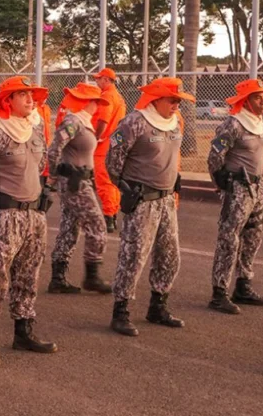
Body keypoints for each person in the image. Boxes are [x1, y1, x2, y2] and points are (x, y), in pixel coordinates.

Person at [0, 76, 57, 366]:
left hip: (34, 216)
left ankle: (23, 331)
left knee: (29, 275)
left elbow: (41, 167)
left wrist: (44, 192)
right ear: (8, 101)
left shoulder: (35, 132)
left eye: (32, 95)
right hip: (5, 217)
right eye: (23, 95)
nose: (31, 100)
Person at [106, 77, 193, 337]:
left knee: (169, 255)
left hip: (167, 200)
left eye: (178, 101)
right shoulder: (134, 122)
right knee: (133, 256)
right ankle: (121, 311)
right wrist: (126, 187)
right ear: (156, 99)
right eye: (172, 100)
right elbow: (113, 161)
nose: (176, 105)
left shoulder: (176, 122)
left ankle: (158, 306)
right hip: (143, 200)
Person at [207, 79, 263, 315]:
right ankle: (219, 293)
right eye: (257, 97)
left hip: (257, 188)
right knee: (229, 239)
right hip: (238, 188)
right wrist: (222, 184)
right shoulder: (233, 124)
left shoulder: (259, 123)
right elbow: (215, 156)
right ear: (245, 101)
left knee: (253, 237)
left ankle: (243, 286)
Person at [47, 82, 111, 294]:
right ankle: (92, 276)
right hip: (75, 182)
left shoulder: (83, 122)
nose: (97, 106)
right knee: (97, 225)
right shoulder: (73, 122)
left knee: (70, 227)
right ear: (86, 101)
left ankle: (58, 278)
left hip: (80, 181)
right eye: (95, 101)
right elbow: (54, 149)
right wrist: (56, 175)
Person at [93, 68, 128, 232]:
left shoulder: (107, 96)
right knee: (113, 182)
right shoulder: (119, 97)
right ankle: (112, 213)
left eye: (99, 79)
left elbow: (103, 120)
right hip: (115, 143)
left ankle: (109, 217)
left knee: (104, 183)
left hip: (103, 145)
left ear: (106, 80)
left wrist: (95, 138)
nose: (96, 82)